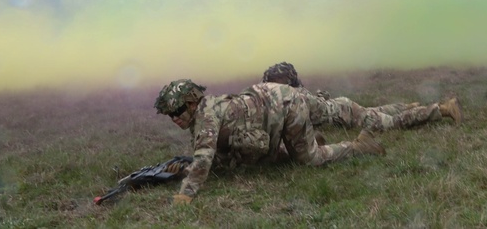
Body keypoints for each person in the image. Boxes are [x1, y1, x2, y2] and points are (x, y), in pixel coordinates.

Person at [154, 78, 386, 204]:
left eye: (178, 111)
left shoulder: (206, 116)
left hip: (285, 105)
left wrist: (187, 193)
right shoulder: (201, 117)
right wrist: (185, 169)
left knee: (308, 159)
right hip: (272, 106)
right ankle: (308, 138)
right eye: (169, 114)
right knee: (263, 153)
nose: (174, 118)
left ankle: (360, 146)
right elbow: (216, 156)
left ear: (192, 103)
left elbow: (204, 156)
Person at [261, 61, 463, 132]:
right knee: (374, 111)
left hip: (344, 114)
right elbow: (316, 100)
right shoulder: (297, 94)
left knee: (393, 124)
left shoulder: (291, 99)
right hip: (342, 107)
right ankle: (408, 105)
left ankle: (443, 109)